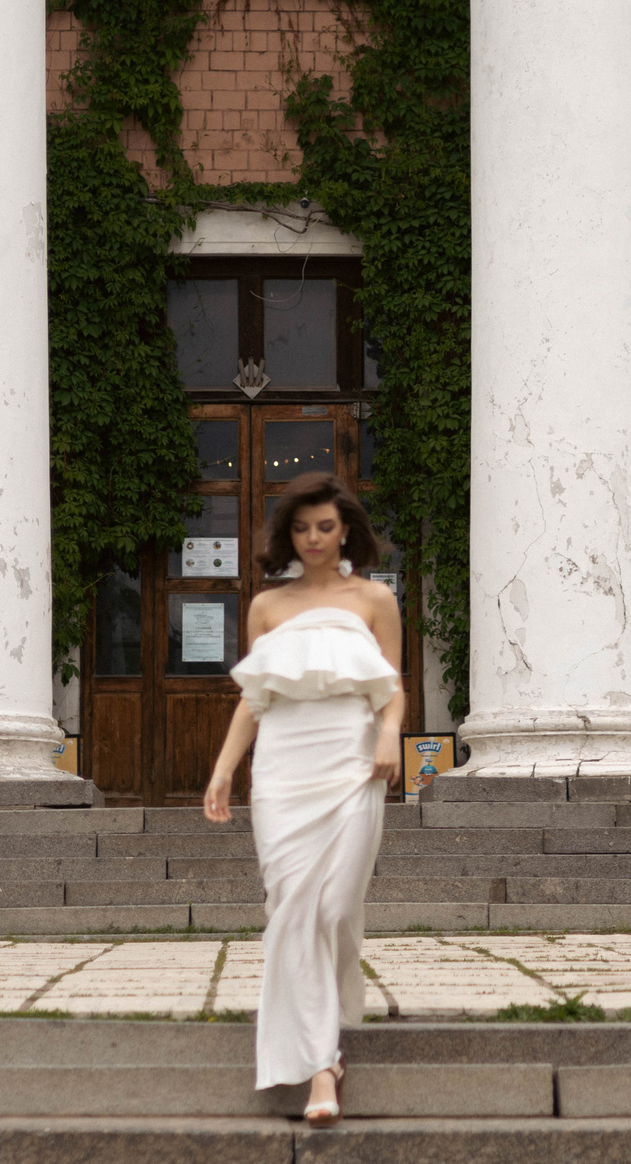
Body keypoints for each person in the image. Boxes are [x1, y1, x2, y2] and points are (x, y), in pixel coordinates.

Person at [201, 470, 403, 1127]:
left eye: (325, 526)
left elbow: (392, 687)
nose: (314, 538)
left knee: (336, 904)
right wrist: (224, 770)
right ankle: (322, 1064)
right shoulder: (267, 605)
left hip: (351, 758)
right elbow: (254, 700)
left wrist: (391, 738)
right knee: (294, 906)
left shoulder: (375, 598)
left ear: (346, 528)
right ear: (287, 533)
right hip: (284, 769)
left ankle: (322, 1025)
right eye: (301, 527)